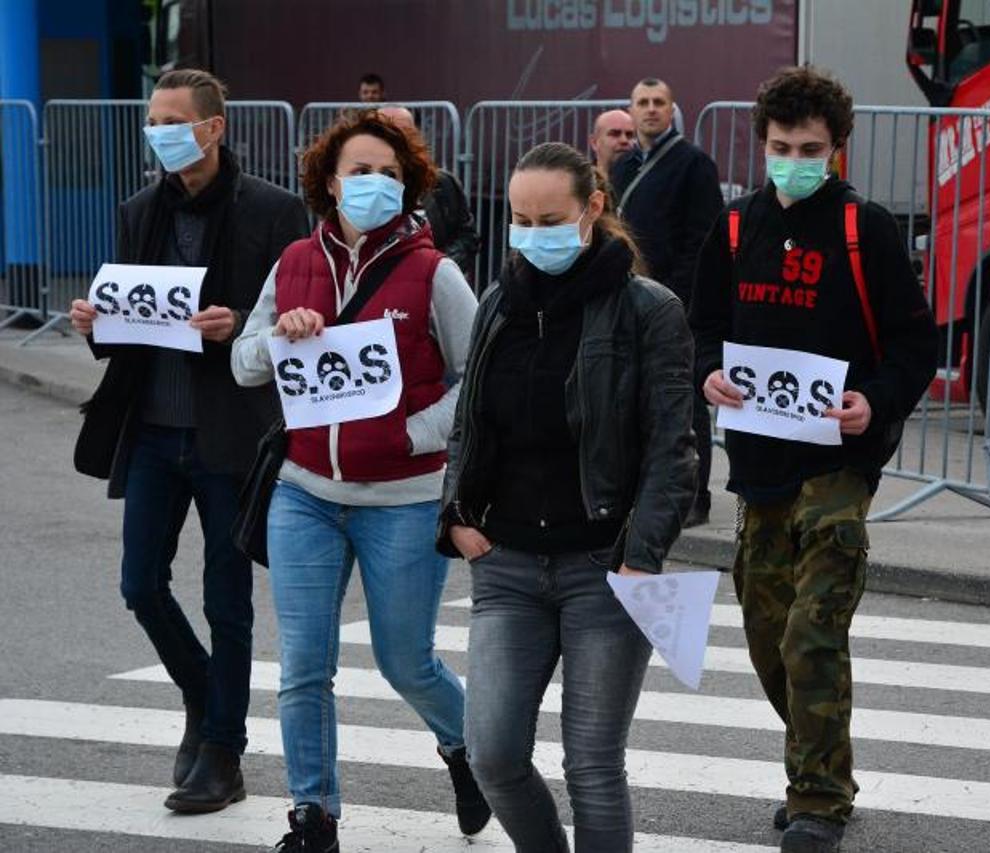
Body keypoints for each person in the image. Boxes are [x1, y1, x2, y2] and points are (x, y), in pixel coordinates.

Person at [690, 66, 937, 853]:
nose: (794, 160)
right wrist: (708, 372)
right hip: (758, 461)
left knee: (812, 632)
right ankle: (820, 761)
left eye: (811, 149)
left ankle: (817, 798)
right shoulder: (734, 228)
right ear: (760, 145)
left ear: (838, 149)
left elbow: (913, 341)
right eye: (780, 147)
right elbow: (701, 325)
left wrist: (876, 399)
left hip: (837, 462)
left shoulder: (867, 230)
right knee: (767, 632)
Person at [229, 110, 489, 850]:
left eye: (388, 173)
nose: (371, 184)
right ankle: (313, 816)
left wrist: (415, 433)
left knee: (406, 659)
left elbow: (477, 380)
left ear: (408, 186)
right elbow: (243, 361)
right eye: (358, 170)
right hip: (304, 491)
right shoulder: (292, 262)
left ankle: (464, 748)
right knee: (303, 668)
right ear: (328, 180)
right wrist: (278, 337)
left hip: (403, 499)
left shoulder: (434, 271)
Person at [437, 141, 697, 852]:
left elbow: (673, 446)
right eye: (520, 218)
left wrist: (641, 556)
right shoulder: (497, 302)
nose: (531, 234)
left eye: (549, 218)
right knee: (490, 752)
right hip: (507, 565)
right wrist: (456, 515)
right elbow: (467, 422)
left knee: (591, 765)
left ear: (593, 208)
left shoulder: (649, 309)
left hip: (603, 568)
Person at [67, 68, 309, 813]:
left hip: (230, 432)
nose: (160, 133)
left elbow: (298, 315)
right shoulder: (139, 209)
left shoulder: (273, 210)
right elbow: (126, 320)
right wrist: (93, 322)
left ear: (213, 127)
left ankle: (222, 752)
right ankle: (203, 695)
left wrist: (243, 323)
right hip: (151, 430)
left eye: (173, 121)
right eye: (153, 121)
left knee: (227, 598)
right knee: (140, 583)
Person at [611, 77, 724, 527]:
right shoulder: (622, 167)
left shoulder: (693, 164)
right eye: (643, 102)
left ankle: (695, 495)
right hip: (627, 296)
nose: (651, 110)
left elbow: (703, 239)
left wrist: (678, 297)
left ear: (673, 108)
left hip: (677, 301)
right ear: (631, 110)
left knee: (686, 400)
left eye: (660, 102)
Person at [378, 105, 480, 281]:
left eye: (406, 133)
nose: (398, 141)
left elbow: (467, 238)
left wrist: (437, 267)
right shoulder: (357, 189)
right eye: (387, 134)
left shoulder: (442, 183)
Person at [589, 108, 636, 183]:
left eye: (629, 135)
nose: (624, 140)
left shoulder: (645, 183)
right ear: (594, 143)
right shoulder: (578, 185)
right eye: (615, 134)